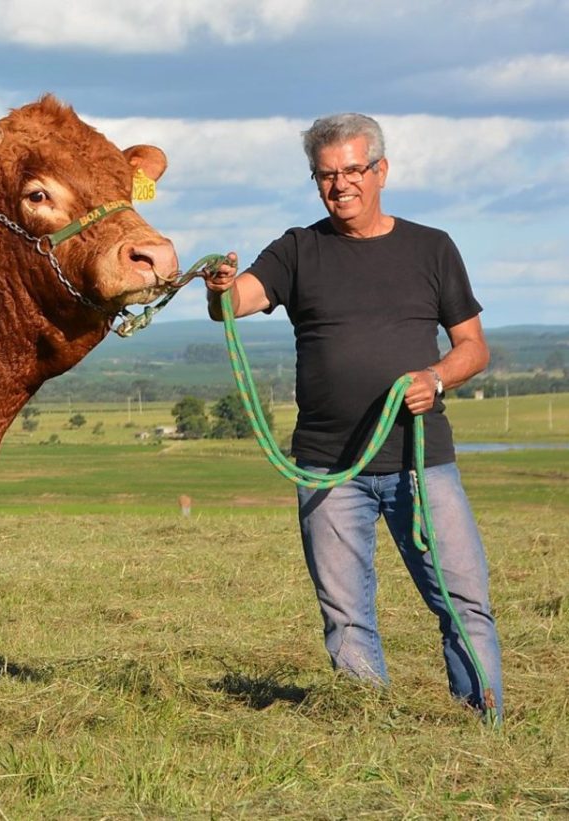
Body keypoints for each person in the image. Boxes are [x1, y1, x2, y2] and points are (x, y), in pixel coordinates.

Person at [204, 113, 503, 717]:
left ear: (381, 171)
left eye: (352, 171)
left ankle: (480, 719)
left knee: (463, 599)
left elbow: (474, 347)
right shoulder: (297, 248)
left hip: (422, 461)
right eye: (326, 175)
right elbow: (235, 304)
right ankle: (371, 726)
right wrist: (220, 286)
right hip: (327, 469)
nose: (340, 185)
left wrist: (435, 377)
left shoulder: (432, 247)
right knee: (345, 615)